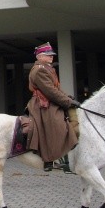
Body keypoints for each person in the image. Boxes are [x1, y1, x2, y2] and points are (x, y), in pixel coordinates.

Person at [25, 42, 79, 172]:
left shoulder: (49, 68)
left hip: (50, 101)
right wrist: (66, 102)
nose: (51, 57)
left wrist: (69, 98)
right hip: (43, 104)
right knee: (58, 126)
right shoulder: (39, 70)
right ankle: (50, 160)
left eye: (51, 55)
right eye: (47, 55)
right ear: (39, 56)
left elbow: (56, 89)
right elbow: (49, 91)